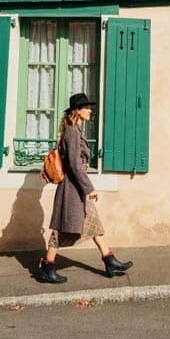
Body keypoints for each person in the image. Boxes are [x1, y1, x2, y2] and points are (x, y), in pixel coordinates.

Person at [36, 92, 133, 284]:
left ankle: (109, 260)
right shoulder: (72, 132)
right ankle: (47, 266)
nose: (90, 110)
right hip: (71, 189)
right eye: (86, 107)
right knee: (60, 231)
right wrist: (90, 188)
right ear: (77, 111)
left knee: (94, 225)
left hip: (76, 188)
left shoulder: (75, 131)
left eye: (90, 107)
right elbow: (73, 165)